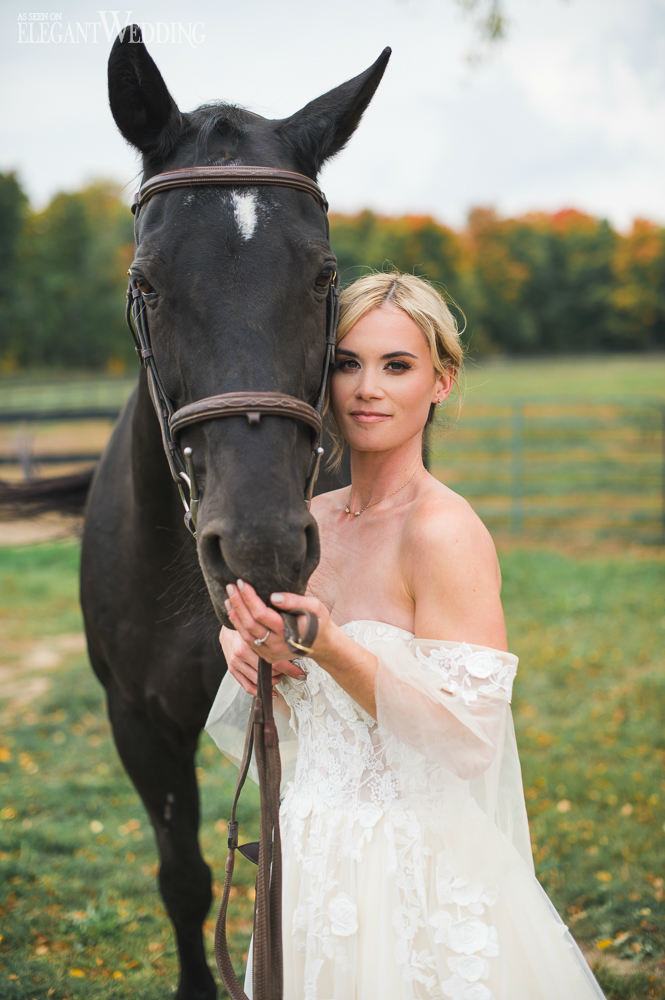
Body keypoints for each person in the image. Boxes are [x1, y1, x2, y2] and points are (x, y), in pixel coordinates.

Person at [206, 273, 606, 999]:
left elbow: (465, 743)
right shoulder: (312, 522)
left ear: (441, 382)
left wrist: (330, 646)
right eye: (347, 362)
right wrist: (259, 654)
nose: (367, 388)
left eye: (397, 366)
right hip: (311, 860)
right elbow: (312, 724)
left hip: (410, 874)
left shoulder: (443, 531)